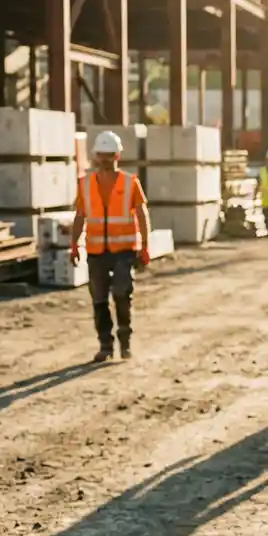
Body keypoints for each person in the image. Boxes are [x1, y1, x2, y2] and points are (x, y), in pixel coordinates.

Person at [69, 130, 152, 362]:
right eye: (101, 155)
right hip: (96, 252)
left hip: (124, 251)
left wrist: (145, 245)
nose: (105, 159)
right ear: (95, 156)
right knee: (99, 299)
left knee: (121, 293)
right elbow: (79, 216)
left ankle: (125, 343)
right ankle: (106, 346)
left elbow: (142, 214)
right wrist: (74, 245)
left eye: (110, 155)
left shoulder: (130, 183)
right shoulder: (85, 184)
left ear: (117, 156)